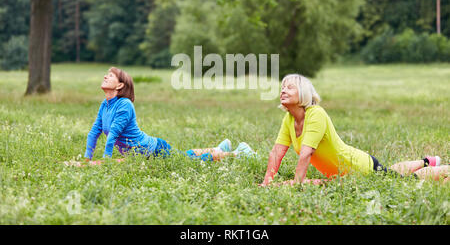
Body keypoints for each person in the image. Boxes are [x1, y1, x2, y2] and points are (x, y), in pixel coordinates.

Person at [260, 74, 449, 186]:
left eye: (290, 87)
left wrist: (297, 185)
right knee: (387, 172)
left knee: (403, 182)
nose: (283, 90)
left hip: (359, 168)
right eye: (282, 87)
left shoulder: (315, 114)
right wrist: (267, 181)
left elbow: (306, 154)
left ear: (303, 93)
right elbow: (277, 152)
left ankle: (442, 168)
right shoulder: (289, 118)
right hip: (342, 174)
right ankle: (426, 161)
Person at [67, 67, 257, 167]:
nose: (105, 77)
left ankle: (238, 153)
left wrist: (106, 161)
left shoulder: (125, 105)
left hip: (153, 150)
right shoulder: (105, 104)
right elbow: (94, 132)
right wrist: (87, 158)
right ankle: (218, 148)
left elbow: (113, 135)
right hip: (143, 153)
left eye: (110, 75)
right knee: (185, 156)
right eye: (105, 74)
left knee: (189, 161)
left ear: (119, 86)